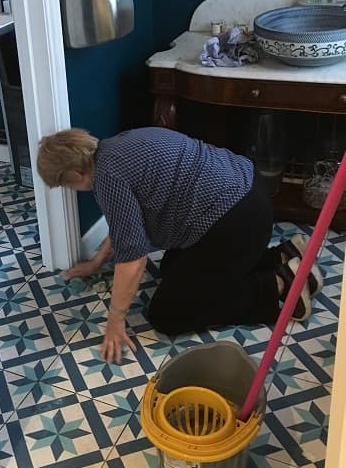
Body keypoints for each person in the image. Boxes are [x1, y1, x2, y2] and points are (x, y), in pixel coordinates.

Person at [37, 127, 323, 364]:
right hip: (250, 196)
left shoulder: (106, 178)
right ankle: (283, 256)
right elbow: (125, 225)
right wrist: (97, 262)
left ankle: (279, 283)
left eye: (65, 186)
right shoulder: (117, 147)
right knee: (172, 266)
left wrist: (116, 319)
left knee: (168, 314)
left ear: (73, 176)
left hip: (237, 223)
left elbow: (133, 259)